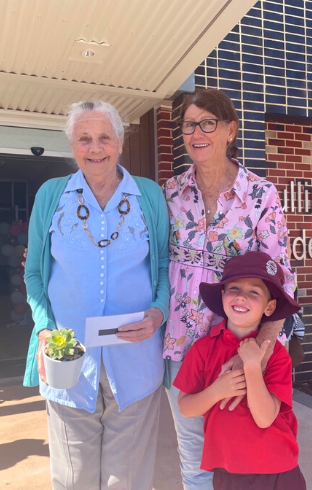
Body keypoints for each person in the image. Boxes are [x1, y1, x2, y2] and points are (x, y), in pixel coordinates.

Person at [23, 100, 169, 488]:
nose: (95, 147)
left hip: (135, 361)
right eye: (84, 138)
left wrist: (158, 313)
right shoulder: (51, 196)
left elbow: (163, 267)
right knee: (74, 479)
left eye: (104, 137)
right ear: (72, 146)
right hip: (67, 362)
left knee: (129, 480)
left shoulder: (149, 196)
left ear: (120, 142)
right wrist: (43, 330)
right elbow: (35, 273)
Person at [163, 88, 296, 488]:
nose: (197, 132)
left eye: (208, 123)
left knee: (244, 456)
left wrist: (257, 353)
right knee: (193, 457)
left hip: (241, 347)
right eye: (189, 124)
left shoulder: (260, 195)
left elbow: (281, 280)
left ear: (230, 130)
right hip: (182, 344)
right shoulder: (169, 193)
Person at [174, 251, 305, 490]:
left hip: (277, 469)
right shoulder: (203, 349)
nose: (242, 297)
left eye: (254, 292)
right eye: (234, 288)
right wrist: (216, 391)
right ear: (223, 296)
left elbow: (265, 419)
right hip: (228, 470)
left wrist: (253, 366)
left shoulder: (276, 355)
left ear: (270, 307)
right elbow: (185, 407)